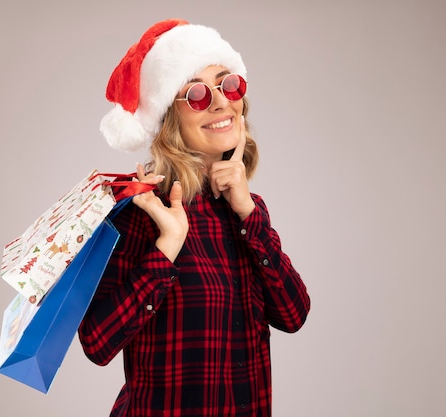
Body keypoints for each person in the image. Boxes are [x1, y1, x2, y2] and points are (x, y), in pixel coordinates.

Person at [78, 18, 310, 417]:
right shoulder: (140, 211)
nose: (221, 102)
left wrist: (250, 216)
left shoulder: (247, 210)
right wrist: (166, 247)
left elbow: (293, 315)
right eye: (198, 94)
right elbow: (97, 343)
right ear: (169, 119)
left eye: (229, 84)